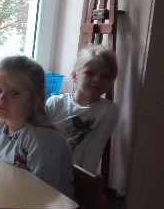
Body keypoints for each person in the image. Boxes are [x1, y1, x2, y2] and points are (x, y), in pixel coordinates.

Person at [0, 55, 73, 197]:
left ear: (35, 99)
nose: (2, 98)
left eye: (14, 93)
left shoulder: (41, 139)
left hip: (46, 208)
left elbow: (44, 193)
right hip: (11, 198)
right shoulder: (1, 127)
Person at [46, 45, 119, 173]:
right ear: (75, 76)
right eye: (90, 73)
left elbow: (95, 148)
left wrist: (84, 179)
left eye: (105, 76)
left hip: (71, 174)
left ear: (111, 83)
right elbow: (37, 137)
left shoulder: (108, 111)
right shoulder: (56, 103)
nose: (97, 79)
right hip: (41, 166)